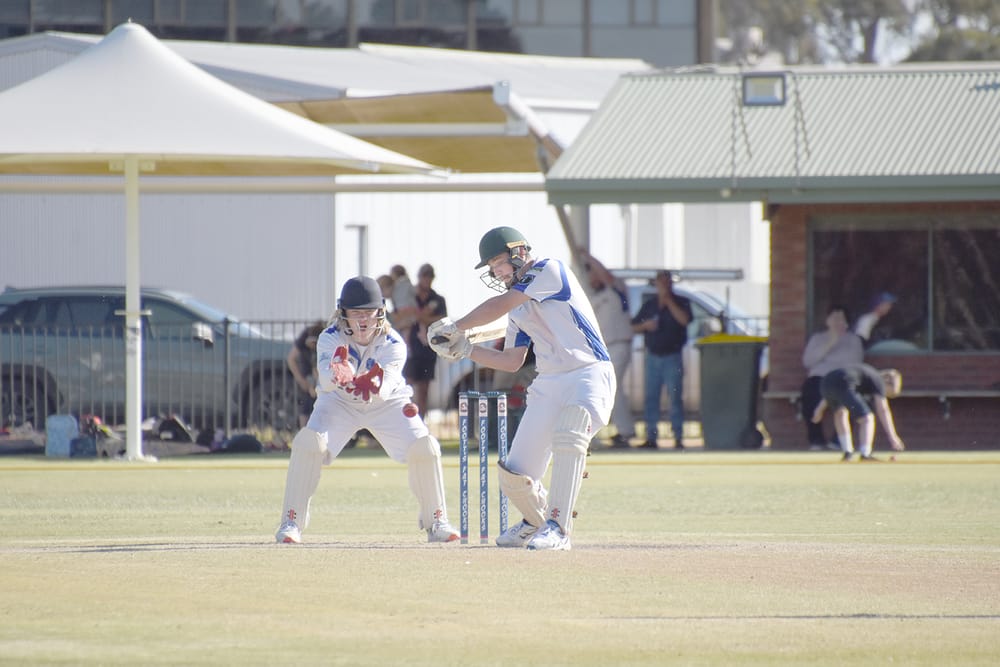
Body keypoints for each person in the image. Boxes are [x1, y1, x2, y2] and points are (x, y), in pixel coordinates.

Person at [428, 226, 614, 551]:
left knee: (569, 435)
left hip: (588, 373)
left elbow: (497, 305)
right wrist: (466, 350)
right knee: (515, 475)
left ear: (519, 252)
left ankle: (558, 528)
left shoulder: (549, 270)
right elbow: (513, 361)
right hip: (549, 382)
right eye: (491, 267)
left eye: (498, 262)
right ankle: (535, 522)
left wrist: (456, 326)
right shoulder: (519, 308)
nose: (495, 272)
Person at [275, 276, 459, 544]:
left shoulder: (393, 344)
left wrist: (365, 380)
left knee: (425, 446)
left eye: (368, 313)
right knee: (308, 443)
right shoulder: (329, 338)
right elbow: (324, 380)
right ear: (343, 314)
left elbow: (383, 388)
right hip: (338, 402)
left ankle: (436, 520)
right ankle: (291, 521)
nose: (363, 321)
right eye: (356, 313)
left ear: (380, 312)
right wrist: (337, 374)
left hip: (387, 404)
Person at [579, 247, 636, 448]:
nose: (593, 277)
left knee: (614, 389)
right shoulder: (592, 296)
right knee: (604, 389)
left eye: (594, 273)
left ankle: (626, 431)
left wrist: (588, 257)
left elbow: (606, 275)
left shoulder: (617, 289)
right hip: (604, 349)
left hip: (619, 344)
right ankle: (618, 431)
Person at [630, 270, 692, 450]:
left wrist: (669, 303)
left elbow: (685, 320)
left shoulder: (681, 302)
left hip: (672, 356)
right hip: (653, 356)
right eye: (661, 283)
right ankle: (651, 436)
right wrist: (645, 326)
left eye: (667, 283)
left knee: (675, 397)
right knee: (651, 398)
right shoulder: (649, 305)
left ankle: (678, 436)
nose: (664, 286)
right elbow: (633, 326)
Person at [800, 305, 864, 450]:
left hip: (842, 379)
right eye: (834, 318)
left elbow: (855, 363)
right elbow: (808, 362)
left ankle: (838, 440)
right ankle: (816, 440)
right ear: (827, 320)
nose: (837, 322)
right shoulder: (817, 339)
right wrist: (830, 342)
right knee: (809, 395)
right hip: (818, 378)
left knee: (852, 399)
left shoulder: (854, 340)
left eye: (840, 318)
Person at [811, 364, 905, 461]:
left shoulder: (866, 374)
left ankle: (848, 453)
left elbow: (837, 384)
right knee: (867, 418)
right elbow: (883, 410)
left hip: (826, 381)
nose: (884, 395)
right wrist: (893, 436)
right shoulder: (879, 381)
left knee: (840, 413)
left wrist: (819, 409)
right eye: (887, 393)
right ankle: (865, 454)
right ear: (887, 381)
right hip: (844, 381)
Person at [403, 263, 447, 418]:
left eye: (429, 277)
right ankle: (405, 421)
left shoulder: (438, 299)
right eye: (424, 276)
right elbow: (403, 317)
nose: (426, 280)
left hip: (428, 349)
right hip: (410, 348)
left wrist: (421, 317)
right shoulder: (410, 297)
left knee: (423, 390)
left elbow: (442, 320)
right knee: (406, 388)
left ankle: (420, 422)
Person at [287, 320, 326, 428]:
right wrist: (302, 381)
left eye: (315, 344)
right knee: (305, 404)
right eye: (311, 344)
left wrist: (316, 387)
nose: (312, 346)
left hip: (322, 374)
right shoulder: (304, 338)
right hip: (307, 373)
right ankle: (304, 433)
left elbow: (317, 370)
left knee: (321, 403)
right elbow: (291, 359)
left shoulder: (327, 343)